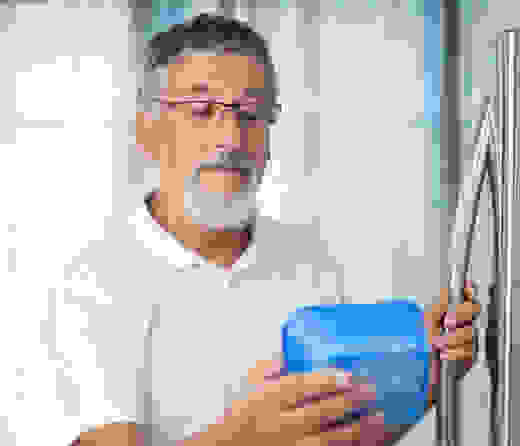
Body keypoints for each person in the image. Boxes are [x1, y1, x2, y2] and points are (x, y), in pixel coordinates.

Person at [14, 13, 481, 446]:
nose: (230, 139)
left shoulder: (309, 259)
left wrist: (430, 372)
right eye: (201, 110)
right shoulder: (92, 284)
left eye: (250, 114)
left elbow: (342, 433)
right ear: (147, 131)